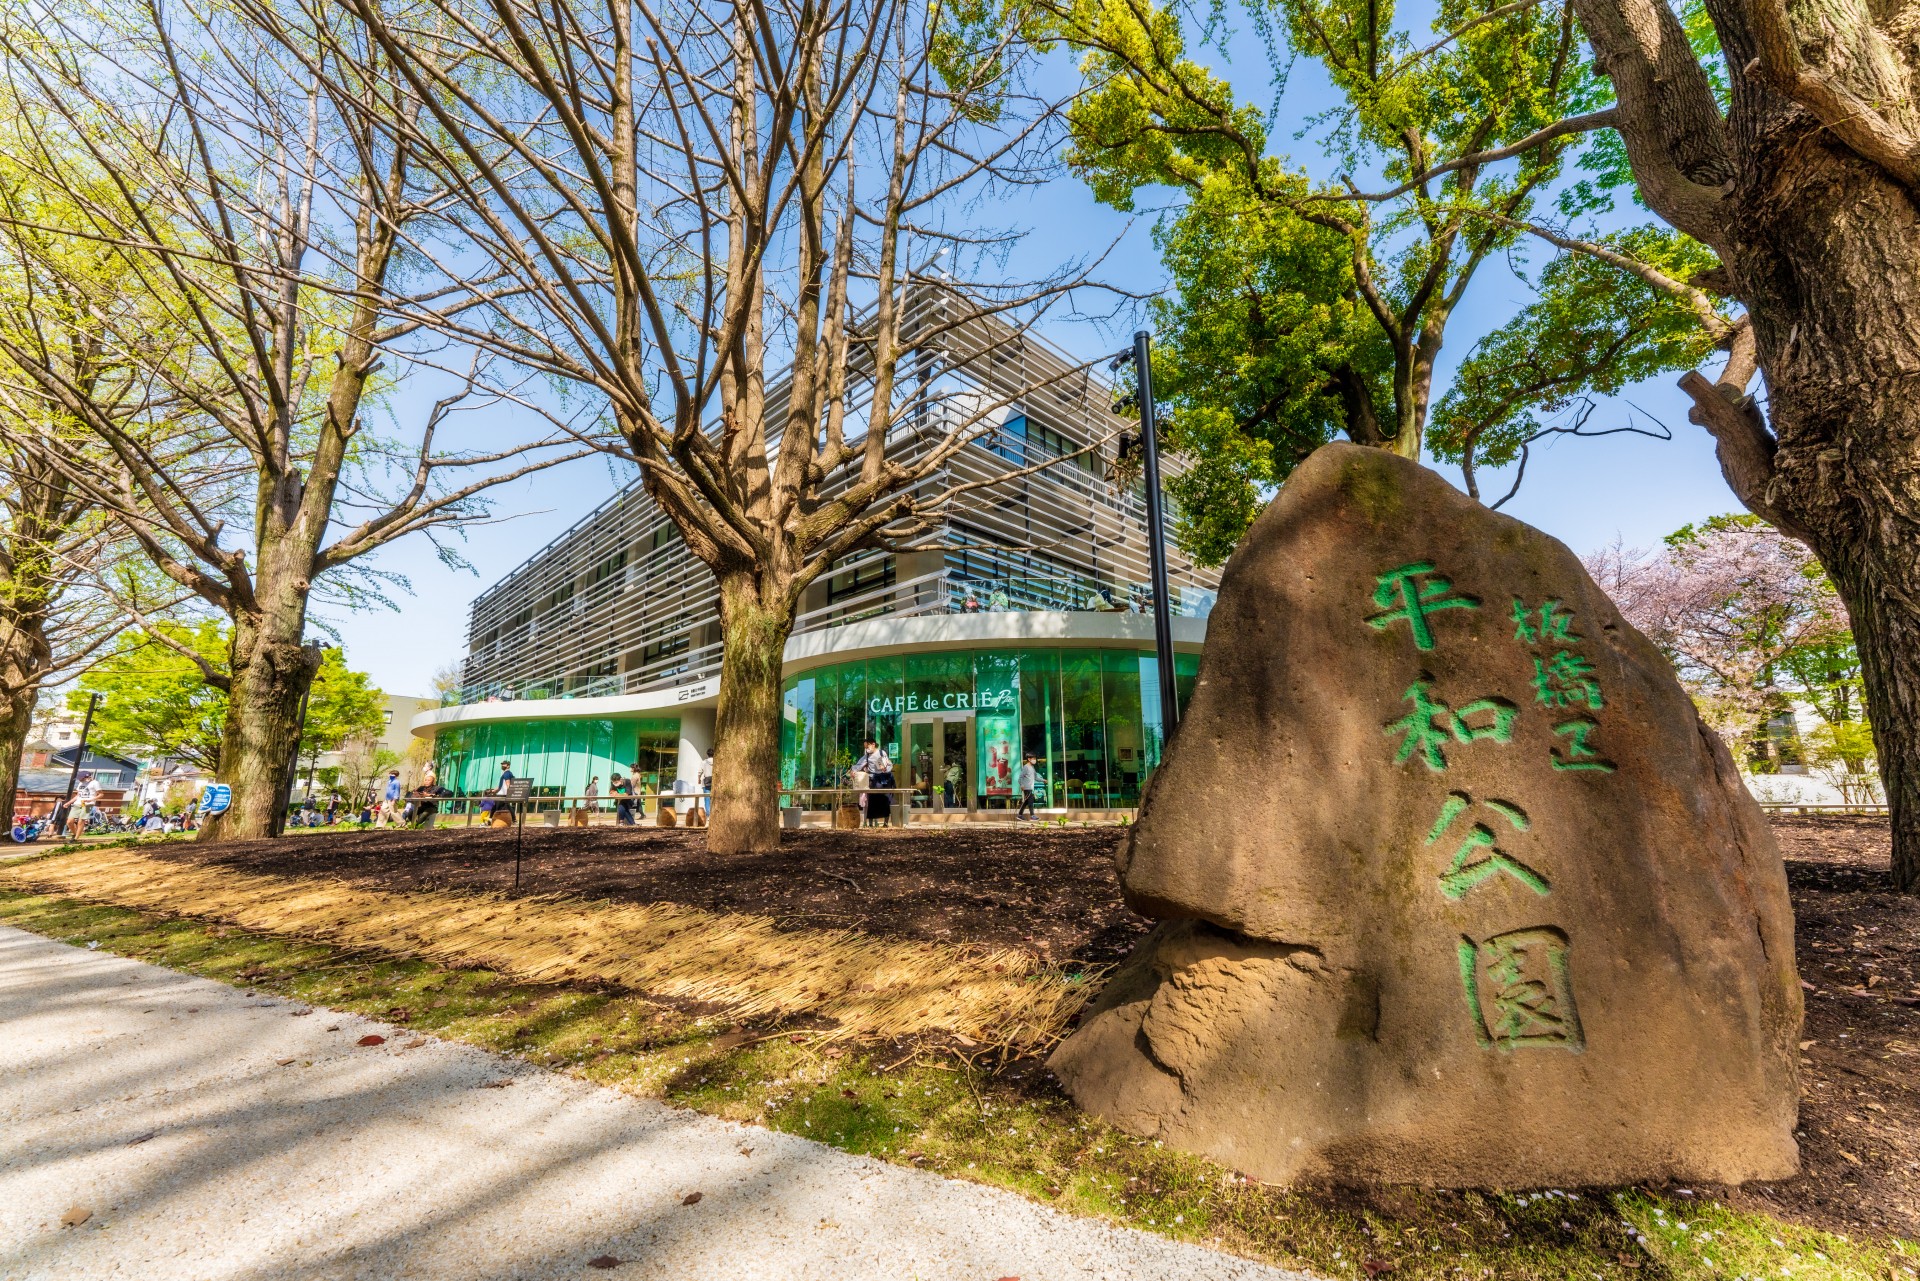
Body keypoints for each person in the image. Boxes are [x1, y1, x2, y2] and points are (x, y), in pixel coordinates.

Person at [850, 738, 890, 826]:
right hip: (873, 780)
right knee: (872, 802)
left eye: (867, 746)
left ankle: (885, 823)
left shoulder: (881, 753)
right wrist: (853, 771)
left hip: (883, 779)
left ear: (873, 744)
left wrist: (883, 767)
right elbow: (858, 765)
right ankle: (871, 823)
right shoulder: (867, 756)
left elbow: (886, 766)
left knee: (885, 800)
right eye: (865, 747)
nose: (866, 749)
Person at [1016, 754, 1039, 821]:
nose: (1035, 760)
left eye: (1035, 758)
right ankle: (1032, 816)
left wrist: (1043, 780)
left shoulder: (1032, 768)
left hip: (1030, 787)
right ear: (1029, 759)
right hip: (1026, 787)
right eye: (1033, 758)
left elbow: (1036, 777)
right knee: (1030, 801)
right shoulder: (1026, 767)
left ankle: (1020, 815)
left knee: (1026, 802)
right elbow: (1020, 778)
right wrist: (1022, 785)